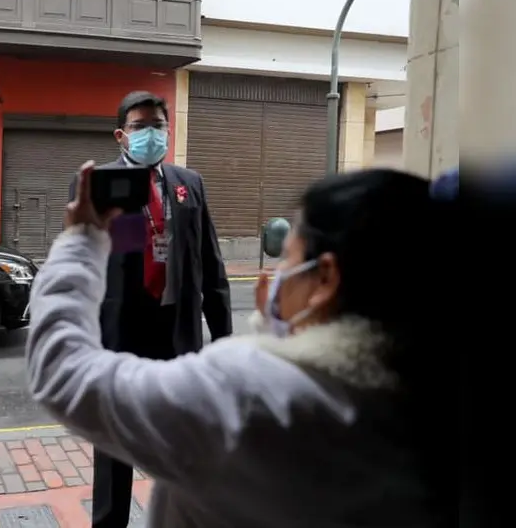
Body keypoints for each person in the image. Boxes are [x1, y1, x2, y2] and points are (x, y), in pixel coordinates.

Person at [28, 165, 453, 527]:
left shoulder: (246, 395)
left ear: (324, 279)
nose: (274, 278)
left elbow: (65, 375)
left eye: (288, 257)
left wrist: (80, 242)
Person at [68, 91, 231, 528]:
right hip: (121, 333)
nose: (152, 134)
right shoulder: (96, 184)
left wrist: (223, 338)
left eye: (159, 125)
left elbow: (210, 263)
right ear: (121, 134)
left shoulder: (189, 182)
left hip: (177, 330)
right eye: (141, 127)